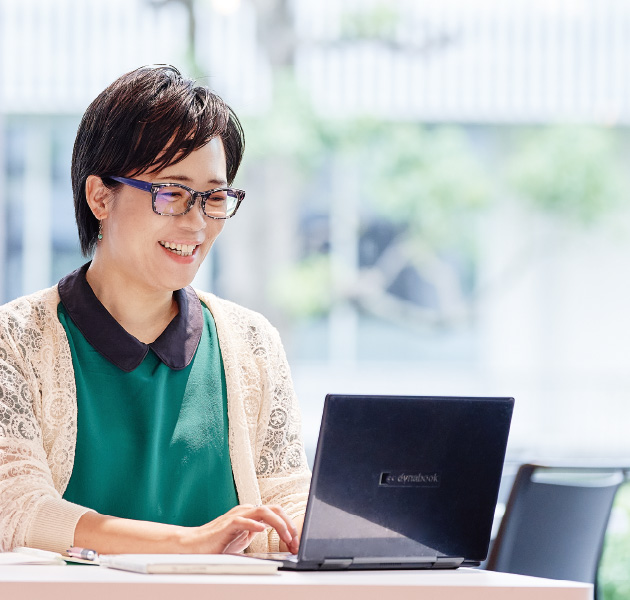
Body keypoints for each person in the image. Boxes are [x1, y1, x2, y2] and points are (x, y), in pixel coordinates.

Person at [0, 65, 310, 555]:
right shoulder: (14, 339)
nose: (197, 222)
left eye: (214, 197)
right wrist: (187, 543)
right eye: (172, 193)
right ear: (100, 196)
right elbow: (15, 508)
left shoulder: (253, 342)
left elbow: (286, 508)